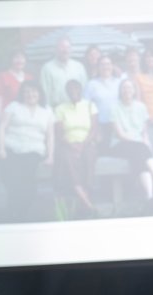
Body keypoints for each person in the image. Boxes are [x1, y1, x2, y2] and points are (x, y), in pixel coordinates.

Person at [0, 80, 55, 220]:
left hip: (33, 152)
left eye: (34, 91)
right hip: (11, 149)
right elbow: (2, 127)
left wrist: (51, 155)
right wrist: (1, 148)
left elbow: (50, 135)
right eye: (27, 91)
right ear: (22, 93)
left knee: (28, 185)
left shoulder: (47, 110)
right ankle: (13, 214)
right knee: (14, 182)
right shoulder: (14, 106)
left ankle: (20, 213)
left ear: (40, 93)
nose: (30, 94)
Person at [109, 78, 153, 203]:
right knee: (140, 149)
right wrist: (140, 142)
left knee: (139, 159)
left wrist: (147, 142)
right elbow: (120, 135)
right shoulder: (115, 107)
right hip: (120, 144)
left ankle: (149, 196)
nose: (127, 90)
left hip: (138, 147)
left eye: (129, 88)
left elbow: (144, 132)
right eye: (124, 88)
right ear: (120, 91)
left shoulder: (141, 107)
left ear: (134, 91)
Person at [54, 79, 98, 216]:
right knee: (68, 159)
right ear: (67, 92)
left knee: (89, 157)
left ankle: (85, 197)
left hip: (87, 142)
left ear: (80, 90)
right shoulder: (60, 108)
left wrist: (83, 145)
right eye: (70, 89)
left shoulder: (90, 105)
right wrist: (72, 145)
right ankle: (87, 203)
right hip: (68, 143)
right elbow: (59, 133)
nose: (73, 92)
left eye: (76, 88)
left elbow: (94, 129)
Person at [84, 54, 122, 148]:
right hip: (100, 126)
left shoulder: (119, 83)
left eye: (108, 64)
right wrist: (93, 128)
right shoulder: (91, 84)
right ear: (98, 67)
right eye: (102, 64)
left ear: (112, 66)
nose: (106, 67)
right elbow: (85, 106)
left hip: (118, 125)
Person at [40, 36, 88, 109]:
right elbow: (44, 93)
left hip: (77, 109)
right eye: (62, 47)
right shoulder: (47, 68)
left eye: (68, 47)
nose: (65, 50)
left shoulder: (79, 67)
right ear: (56, 49)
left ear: (71, 50)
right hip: (56, 110)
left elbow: (85, 90)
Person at [0, 48, 33, 122]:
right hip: (9, 118)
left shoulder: (30, 78)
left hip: (27, 118)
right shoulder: (3, 77)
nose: (19, 60)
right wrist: (1, 121)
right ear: (11, 60)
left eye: (22, 57)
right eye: (16, 57)